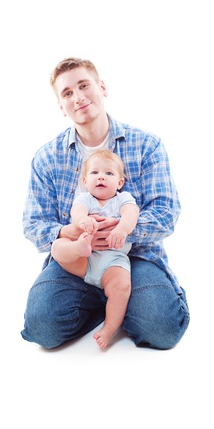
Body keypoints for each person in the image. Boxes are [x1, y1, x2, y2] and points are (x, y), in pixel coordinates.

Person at [21, 57, 190, 350]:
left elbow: (166, 212)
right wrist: (69, 233)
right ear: (61, 106)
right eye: (68, 93)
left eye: (84, 85)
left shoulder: (146, 145)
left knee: (162, 328)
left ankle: (121, 300)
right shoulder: (47, 158)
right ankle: (105, 303)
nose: (79, 97)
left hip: (132, 257)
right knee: (42, 329)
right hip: (77, 259)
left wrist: (121, 230)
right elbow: (34, 223)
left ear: (102, 87)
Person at [51, 149, 139, 348]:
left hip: (113, 260)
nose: (101, 176)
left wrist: (122, 230)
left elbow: (131, 214)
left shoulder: (122, 199)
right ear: (84, 181)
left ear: (119, 183)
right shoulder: (85, 199)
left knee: (122, 287)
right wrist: (83, 221)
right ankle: (77, 248)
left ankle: (109, 329)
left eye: (109, 173)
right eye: (94, 173)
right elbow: (77, 212)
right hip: (84, 259)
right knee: (58, 246)